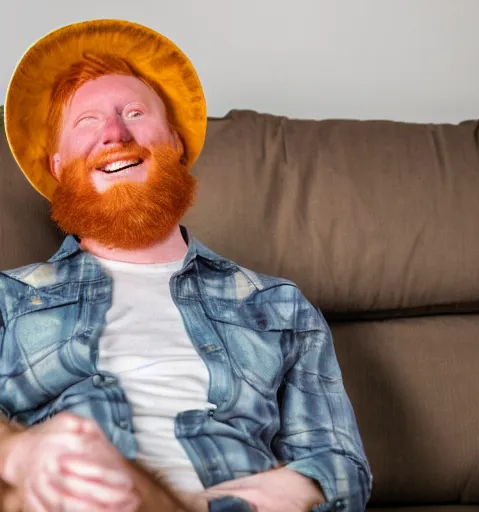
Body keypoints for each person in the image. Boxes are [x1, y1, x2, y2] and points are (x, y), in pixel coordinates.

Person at [0, 19, 372, 512]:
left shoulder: (278, 305)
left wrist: (295, 489)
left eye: (134, 112)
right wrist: (18, 453)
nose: (114, 133)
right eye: (86, 122)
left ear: (174, 142)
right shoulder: (9, 297)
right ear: (57, 165)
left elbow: (339, 463)